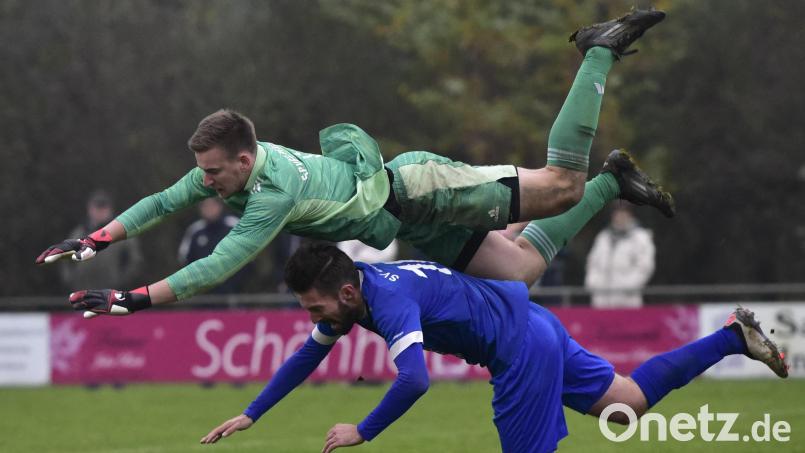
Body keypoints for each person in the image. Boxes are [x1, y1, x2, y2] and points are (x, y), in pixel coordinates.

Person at [36, 11, 673, 317]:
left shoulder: (271, 191)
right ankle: (614, 179)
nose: (203, 182)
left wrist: (133, 298)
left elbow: (217, 265)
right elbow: (158, 204)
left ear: (245, 159)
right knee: (520, 273)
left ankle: (596, 52)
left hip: (423, 189)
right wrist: (97, 240)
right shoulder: (223, 172)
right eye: (201, 171)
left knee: (560, 187)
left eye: (212, 172)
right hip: (408, 217)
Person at [199, 245, 788, 452]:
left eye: (315, 307)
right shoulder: (362, 291)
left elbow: (414, 380)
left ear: (346, 292)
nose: (313, 318)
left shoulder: (390, 304)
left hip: (519, 350)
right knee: (627, 402)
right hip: (533, 322)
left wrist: (364, 430)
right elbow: (307, 354)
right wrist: (252, 413)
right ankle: (732, 337)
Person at [59, 190, 144, 291]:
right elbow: (66, 257)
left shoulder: (122, 233)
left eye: (103, 208)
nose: (100, 211)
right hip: (83, 292)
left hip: (111, 293)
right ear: (89, 208)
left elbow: (134, 261)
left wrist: (120, 282)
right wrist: (71, 278)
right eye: (97, 207)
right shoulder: (79, 233)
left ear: (110, 209)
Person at [585, 204, 655, 307]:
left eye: (623, 213)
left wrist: (626, 288)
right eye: (617, 213)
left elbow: (644, 268)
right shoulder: (603, 237)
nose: (620, 216)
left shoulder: (641, 237)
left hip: (628, 301)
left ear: (630, 215)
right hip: (601, 300)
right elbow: (592, 263)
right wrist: (594, 284)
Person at [178, 198, 251, 294]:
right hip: (202, 293)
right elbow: (185, 260)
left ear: (220, 206)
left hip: (234, 293)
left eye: (212, 205)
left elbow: (248, 257)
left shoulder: (234, 226)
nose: (209, 209)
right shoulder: (195, 230)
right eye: (205, 206)